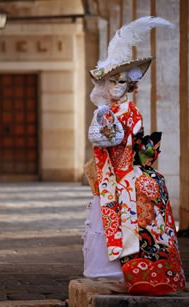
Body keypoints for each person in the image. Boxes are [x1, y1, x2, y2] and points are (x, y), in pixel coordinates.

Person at [83, 16, 185, 295]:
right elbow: (98, 136)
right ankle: (123, 274)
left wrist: (104, 122)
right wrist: (102, 118)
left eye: (121, 82)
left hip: (128, 177)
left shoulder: (129, 111)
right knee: (111, 222)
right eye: (111, 81)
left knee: (134, 225)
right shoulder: (109, 111)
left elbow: (114, 138)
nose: (116, 86)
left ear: (130, 84)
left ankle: (140, 276)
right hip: (111, 176)